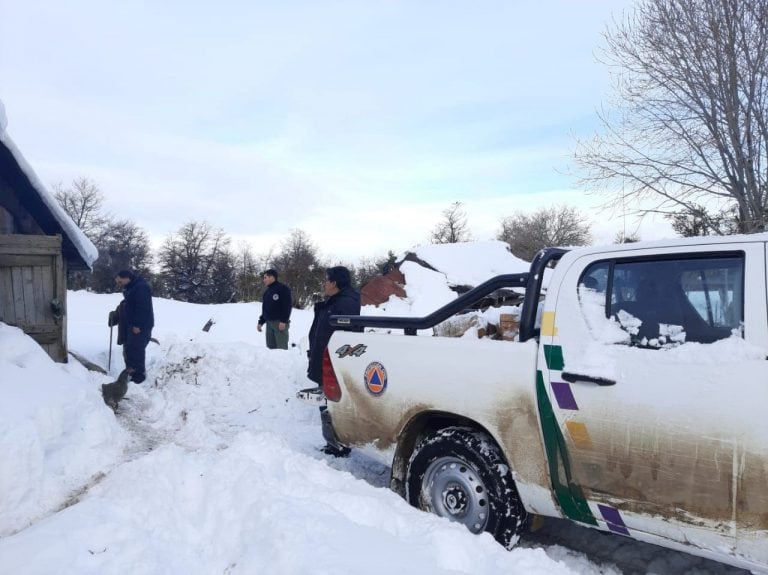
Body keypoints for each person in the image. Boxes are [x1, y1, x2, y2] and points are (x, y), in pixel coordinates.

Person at [304, 266, 361, 456]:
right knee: (329, 399)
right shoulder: (338, 301)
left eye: (326, 280)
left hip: (333, 362)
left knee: (331, 401)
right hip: (328, 359)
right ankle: (335, 442)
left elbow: (340, 337)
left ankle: (337, 444)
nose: (324, 283)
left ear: (334, 283)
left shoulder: (343, 304)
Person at [113, 270, 154, 383]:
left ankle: (139, 377)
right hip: (130, 325)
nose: (119, 284)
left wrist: (137, 325)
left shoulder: (140, 287)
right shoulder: (131, 287)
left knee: (136, 350)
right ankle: (130, 372)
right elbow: (129, 303)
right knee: (129, 349)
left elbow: (143, 308)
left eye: (120, 281)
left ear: (127, 277)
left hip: (140, 327)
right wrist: (117, 312)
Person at [257, 269, 292, 349]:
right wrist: (261, 322)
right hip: (269, 324)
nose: (264, 280)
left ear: (272, 277)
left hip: (279, 323)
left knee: (281, 350)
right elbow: (265, 309)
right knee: (271, 350)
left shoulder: (283, 289)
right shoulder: (267, 292)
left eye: (265, 278)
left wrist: (283, 320)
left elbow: (287, 306)